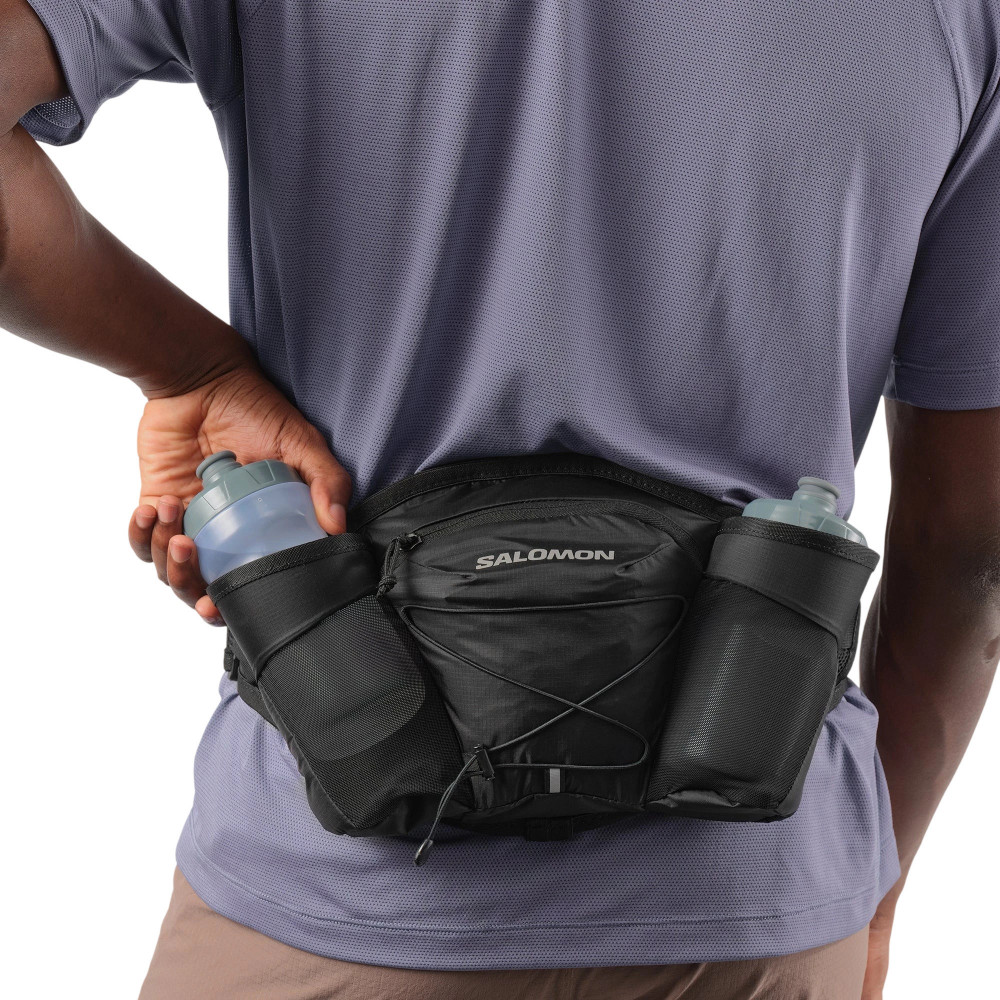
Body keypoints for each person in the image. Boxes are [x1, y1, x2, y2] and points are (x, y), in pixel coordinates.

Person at [2, 1, 998, 997]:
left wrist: (191, 369)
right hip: (754, 895)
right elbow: (970, 552)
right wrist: (876, 881)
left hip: (344, 887)